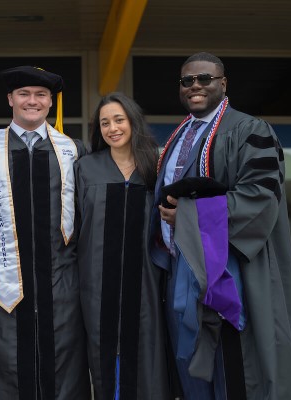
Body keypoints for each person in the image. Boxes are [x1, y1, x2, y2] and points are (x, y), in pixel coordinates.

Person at [151, 52, 291, 399]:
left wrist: (189, 217)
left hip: (230, 276)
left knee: (232, 371)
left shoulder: (249, 130)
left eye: (205, 78)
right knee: (192, 378)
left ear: (223, 83)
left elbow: (260, 197)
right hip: (181, 276)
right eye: (187, 81)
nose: (195, 86)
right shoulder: (178, 136)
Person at [0, 66, 90, 399]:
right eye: (23, 94)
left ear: (51, 102)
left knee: (63, 366)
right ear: (10, 99)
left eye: (40, 95)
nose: (31, 101)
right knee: (7, 366)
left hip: (61, 286)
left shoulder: (74, 153)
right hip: (3, 286)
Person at [75, 92, 178, 399]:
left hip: (147, 283)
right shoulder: (85, 168)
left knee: (147, 357)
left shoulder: (156, 167)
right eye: (104, 123)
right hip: (96, 285)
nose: (112, 128)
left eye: (119, 120)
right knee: (103, 356)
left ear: (133, 121)